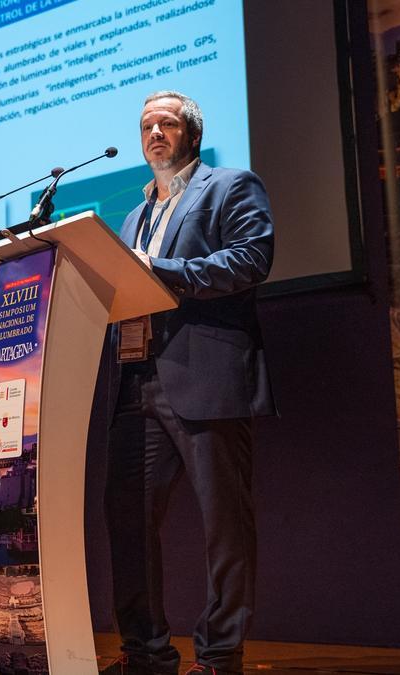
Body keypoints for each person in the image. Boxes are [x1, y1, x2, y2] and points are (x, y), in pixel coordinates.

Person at [100, 91, 275, 675]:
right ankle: (146, 652)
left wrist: (162, 272)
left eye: (167, 123)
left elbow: (251, 260)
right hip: (136, 380)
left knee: (225, 523)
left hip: (206, 376)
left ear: (191, 135)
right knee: (126, 518)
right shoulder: (133, 215)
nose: (154, 133)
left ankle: (221, 654)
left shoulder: (230, 186)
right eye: (146, 125)